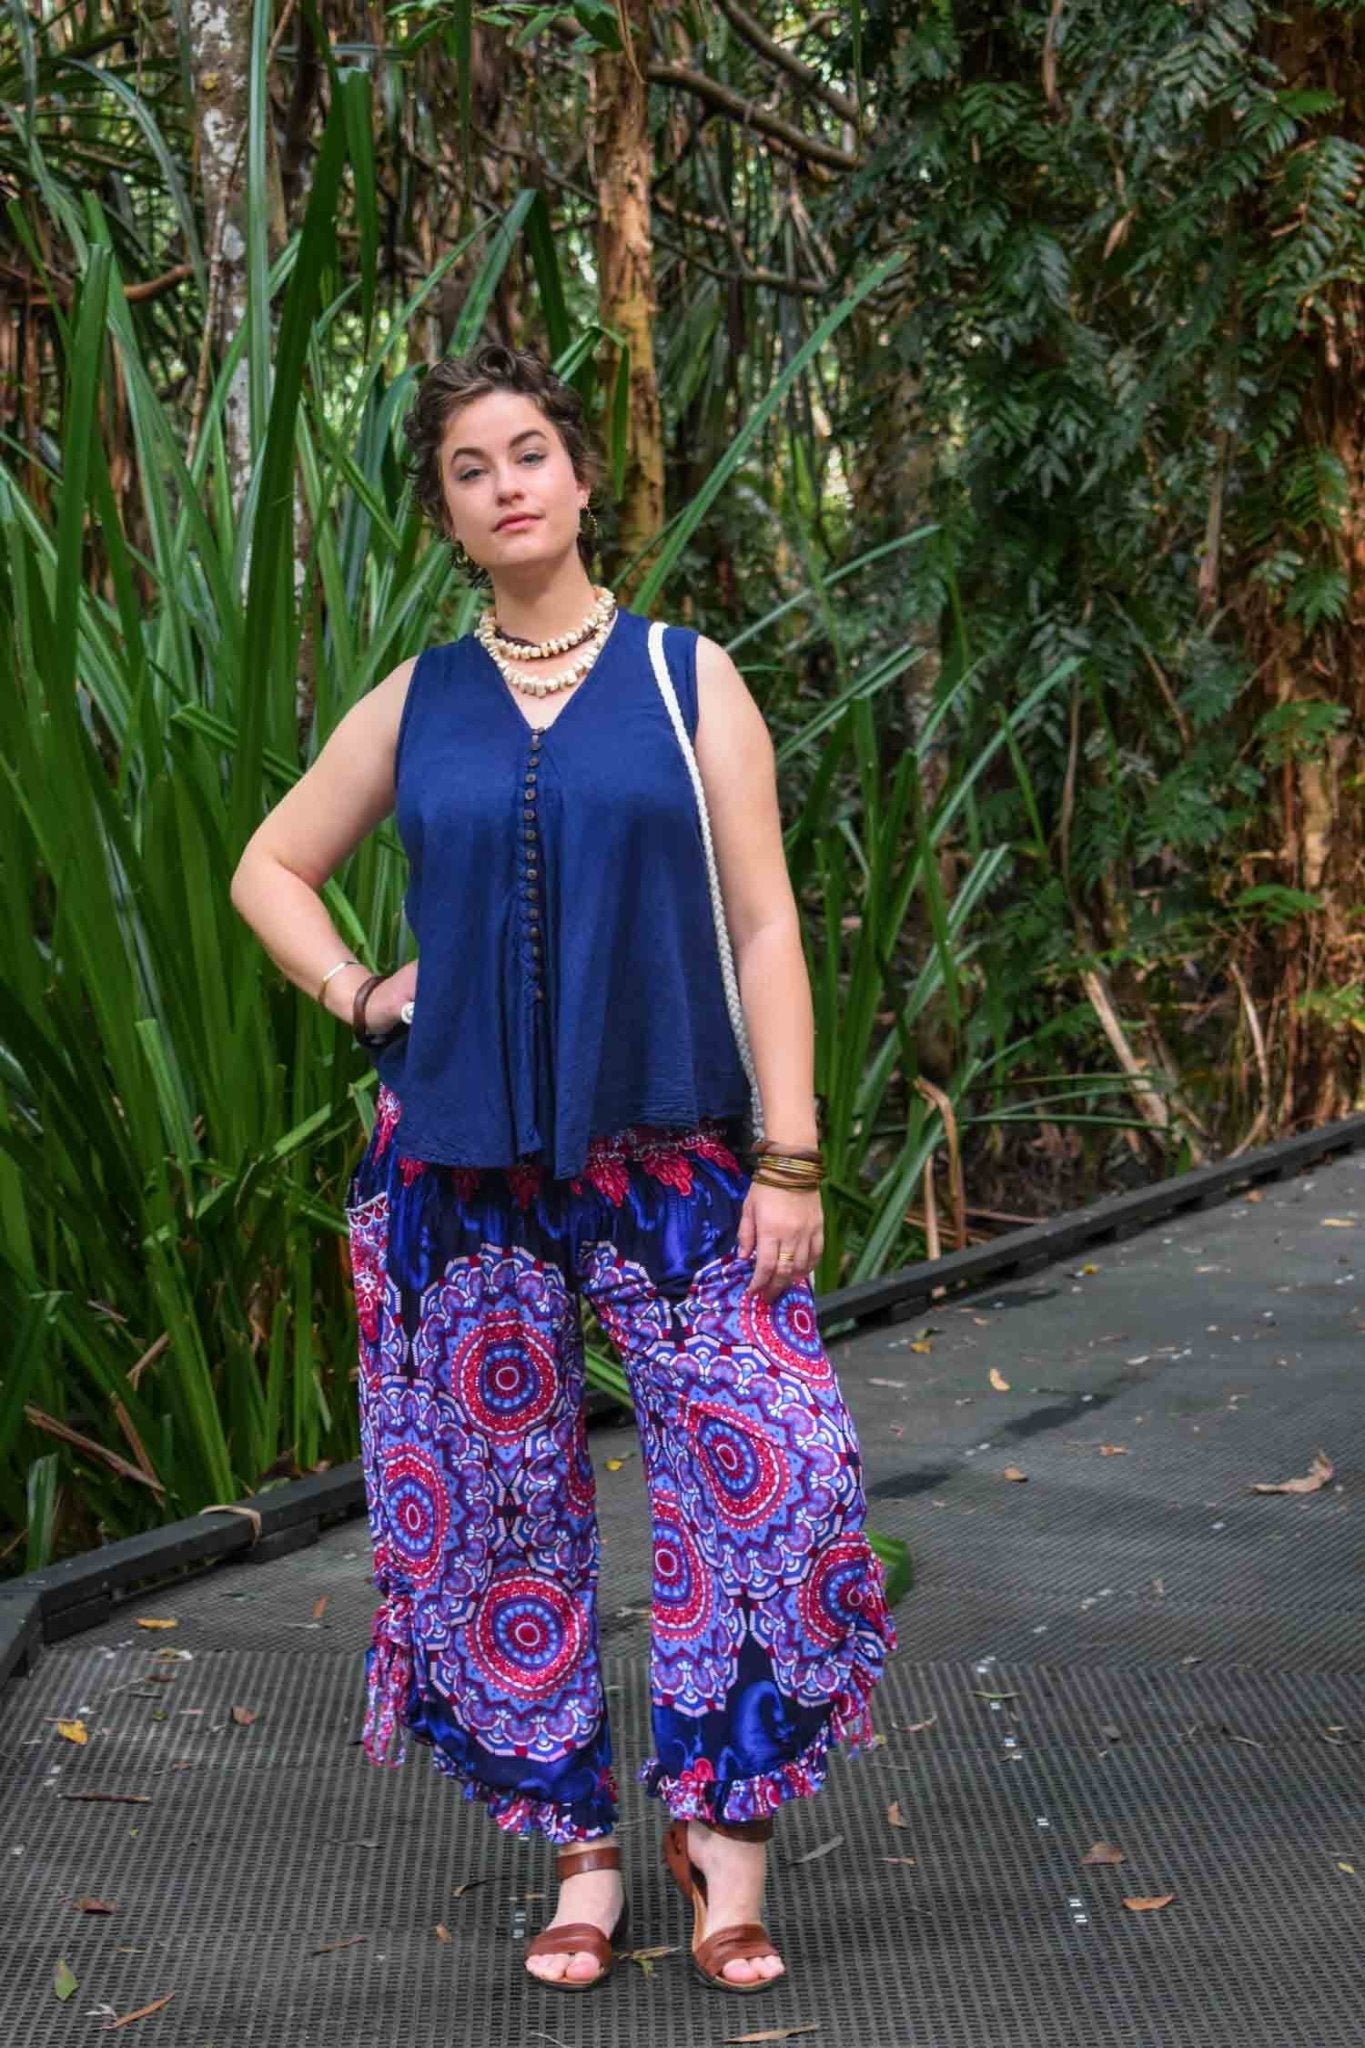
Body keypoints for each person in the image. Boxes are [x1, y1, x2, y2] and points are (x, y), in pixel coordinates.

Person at [229, 339, 896, 1996]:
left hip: (674, 1157)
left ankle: (723, 1835)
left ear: (583, 478)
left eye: (528, 452)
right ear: (450, 516)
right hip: (459, 1175)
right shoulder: (418, 701)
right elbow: (270, 867)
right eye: (469, 469)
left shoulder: (686, 678)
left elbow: (765, 925)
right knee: (495, 1512)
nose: (505, 484)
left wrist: (791, 1157)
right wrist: (357, 991)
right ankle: (579, 1852)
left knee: (779, 1472)